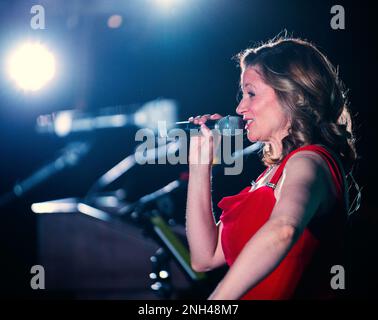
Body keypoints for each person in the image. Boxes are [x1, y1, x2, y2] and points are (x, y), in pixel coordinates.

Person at [185, 37, 358, 300]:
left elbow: (283, 229)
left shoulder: (310, 161)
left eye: (251, 93)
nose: (240, 108)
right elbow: (203, 258)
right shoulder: (265, 180)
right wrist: (200, 166)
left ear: (294, 95)